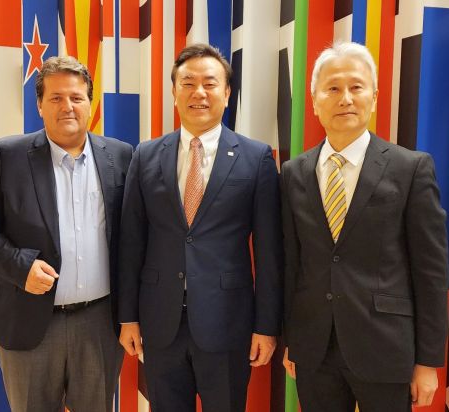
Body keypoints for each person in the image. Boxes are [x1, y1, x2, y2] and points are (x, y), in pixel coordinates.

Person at [280, 41, 448, 412]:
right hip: (314, 347)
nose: (345, 98)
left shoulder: (410, 168)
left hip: (386, 347)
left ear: (373, 97)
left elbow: (431, 272)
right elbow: (292, 263)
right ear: (315, 102)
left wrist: (428, 362)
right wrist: (292, 338)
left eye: (356, 87)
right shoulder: (294, 173)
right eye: (332, 88)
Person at [117, 43, 283, 412]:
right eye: (188, 83)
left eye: (210, 83)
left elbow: (270, 251)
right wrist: (127, 316)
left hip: (228, 322)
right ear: (174, 91)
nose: (199, 93)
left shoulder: (255, 157)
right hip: (160, 322)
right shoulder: (146, 155)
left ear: (227, 92)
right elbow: (131, 243)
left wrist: (266, 326)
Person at [0, 56, 132, 412]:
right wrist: (21, 267)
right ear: (39, 105)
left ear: (90, 103)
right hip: (29, 324)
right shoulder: (7, 155)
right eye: (56, 98)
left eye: (76, 97)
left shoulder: (120, 156)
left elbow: (131, 236)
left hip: (99, 325)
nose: (67, 106)